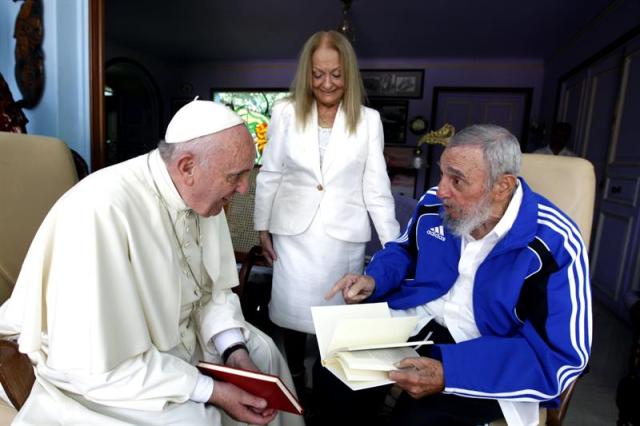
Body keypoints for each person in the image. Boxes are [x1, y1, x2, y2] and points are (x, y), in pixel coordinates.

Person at [0, 100, 303, 426]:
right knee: (198, 420)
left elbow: (211, 292)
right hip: (107, 366)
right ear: (188, 167)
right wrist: (211, 390)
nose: (244, 189)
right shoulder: (100, 211)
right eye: (236, 176)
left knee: (264, 353)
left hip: (180, 341)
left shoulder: (203, 196)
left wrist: (235, 354)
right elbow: (101, 364)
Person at [327, 124, 592, 425]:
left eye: (457, 180)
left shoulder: (554, 242)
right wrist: (375, 278)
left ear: (502, 186)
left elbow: (563, 357)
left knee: (420, 420)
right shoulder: (433, 204)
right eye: (442, 174)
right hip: (417, 323)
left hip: (486, 350)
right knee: (334, 380)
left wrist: (449, 373)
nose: (440, 190)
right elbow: (404, 250)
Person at [254, 30, 399, 388]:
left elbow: (376, 188)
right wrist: (262, 226)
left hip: (341, 239)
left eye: (335, 74)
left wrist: (395, 245)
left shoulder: (368, 120)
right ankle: (296, 376)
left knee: (334, 321)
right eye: (317, 74)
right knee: (290, 315)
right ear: (307, 73)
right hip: (293, 233)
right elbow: (271, 172)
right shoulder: (286, 112)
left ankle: (327, 385)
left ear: (348, 73)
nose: (326, 83)